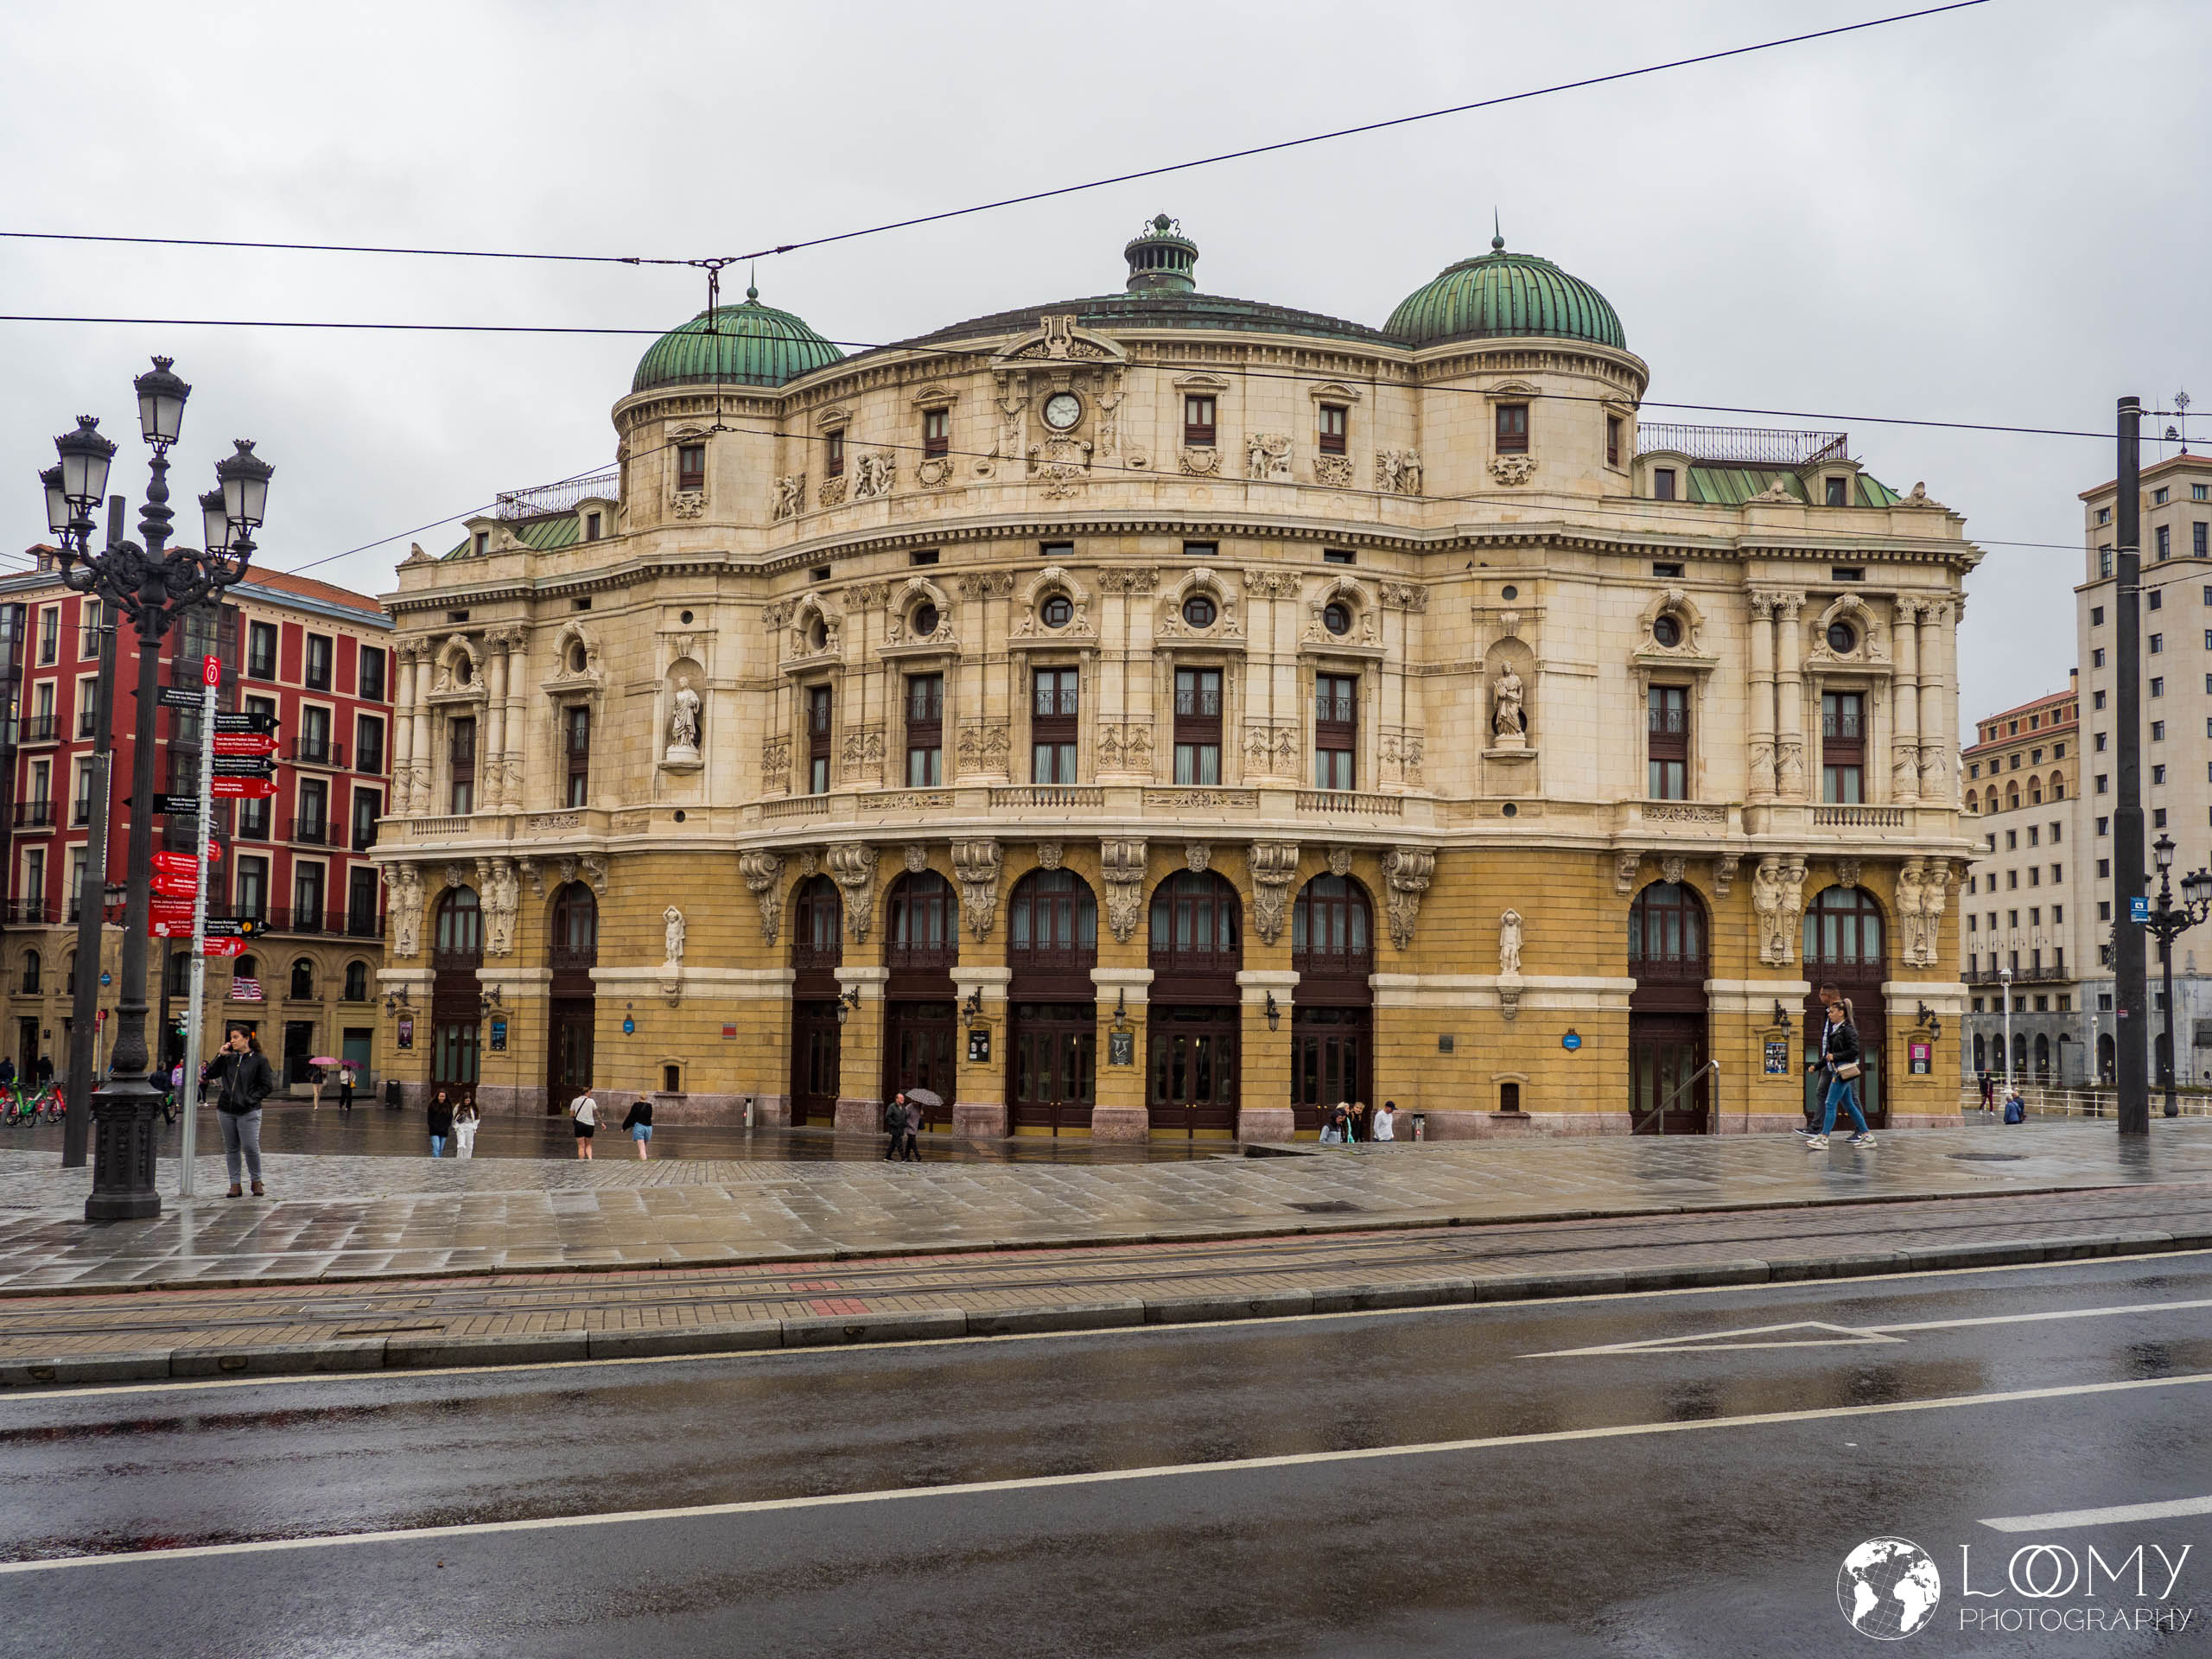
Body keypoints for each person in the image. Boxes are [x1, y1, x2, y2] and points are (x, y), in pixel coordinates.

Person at [206, 1027, 275, 1198]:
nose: (232, 1041)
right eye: (231, 1037)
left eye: (236, 1037)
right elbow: (210, 1074)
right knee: (232, 1148)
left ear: (247, 1038)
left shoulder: (259, 1060)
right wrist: (220, 1056)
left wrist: (249, 1100)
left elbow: (267, 1086)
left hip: (248, 1110)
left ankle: (256, 1181)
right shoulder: (228, 1058)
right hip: (226, 1109)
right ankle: (235, 1185)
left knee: (250, 1146)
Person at [1801, 999, 1874, 1149]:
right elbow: (1829, 1054)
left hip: (1842, 1071)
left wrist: (1836, 1057)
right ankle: (1867, 1136)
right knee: (1849, 1105)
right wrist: (1817, 1066)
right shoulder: (1836, 1029)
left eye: (1832, 1012)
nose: (1829, 1014)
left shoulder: (1848, 1030)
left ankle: (1824, 1137)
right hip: (1837, 1069)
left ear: (1841, 1013)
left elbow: (1854, 1051)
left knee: (1830, 1103)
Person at [569, 1089, 599, 1158]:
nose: (590, 1094)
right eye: (589, 1092)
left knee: (581, 1146)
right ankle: (590, 1159)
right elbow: (597, 1113)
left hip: (579, 1124)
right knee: (589, 1145)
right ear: (586, 1093)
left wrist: (578, 1116)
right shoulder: (591, 1101)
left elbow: (571, 1114)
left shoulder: (575, 1100)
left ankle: (581, 1161)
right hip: (590, 1125)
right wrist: (602, 1123)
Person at [623, 1096, 653, 1160]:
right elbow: (650, 1116)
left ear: (639, 1097)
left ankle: (644, 1163)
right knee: (643, 1148)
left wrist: (624, 1127)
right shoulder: (649, 1105)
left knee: (642, 1149)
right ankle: (641, 1161)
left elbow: (630, 1117)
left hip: (640, 1127)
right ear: (646, 1097)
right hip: (649, 1128)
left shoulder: (636, 1105)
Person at [427, 1088, 454, 1158]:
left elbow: (450, 1118)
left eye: (443, 1096)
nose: (442, 1098)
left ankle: (436, 1160)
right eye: (440, 1096)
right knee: (437, 1147)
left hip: (444, 1131)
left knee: (440, 1149)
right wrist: (434, 1126)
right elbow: (429, 1119)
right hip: (434, 1131)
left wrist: (446, 1127)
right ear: (437, 1097)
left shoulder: (448, 1106)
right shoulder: (432, 1105)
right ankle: (437, 1162)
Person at [883, 1093, 910, 1161]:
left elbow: (904, 1117)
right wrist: (894, 1124)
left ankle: (887, 1156)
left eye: (903, 1098)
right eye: (901, 1098)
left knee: (893, 1143)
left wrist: (906, 1124)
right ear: (897, 1099)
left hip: (901, 1128)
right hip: (895, 1129)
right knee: (899, 1143)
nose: (903, 1099)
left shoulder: (903, 1107)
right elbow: (887, 1117)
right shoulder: (892, 1106)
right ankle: (903, 1158)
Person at [453, 1093, 480, 1159]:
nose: (467, 1102)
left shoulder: (473, 1108)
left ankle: (467, 1159)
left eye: (468, 1101)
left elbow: (477, 1118)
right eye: (466, 1101)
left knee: (469, 1145)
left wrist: (474, 1126)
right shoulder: (458, 1106)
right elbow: (454, 1116)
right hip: (461, 1127)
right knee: (461, 1145)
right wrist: (457, 1127)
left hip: (470, 1127)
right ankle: (459, 1159)